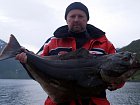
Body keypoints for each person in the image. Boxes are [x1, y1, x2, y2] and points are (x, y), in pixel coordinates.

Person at [16, 2, 125, 105]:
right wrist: (26, 62)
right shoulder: (52, 42)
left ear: (87, 19)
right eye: (72, 16)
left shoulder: (105, 43)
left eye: (81, 16)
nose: (76, 19)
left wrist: (116, 84)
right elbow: (37, 71)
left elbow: (120, 69)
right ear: (66, 19)